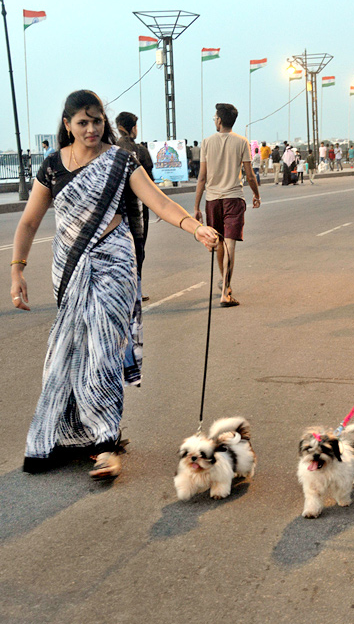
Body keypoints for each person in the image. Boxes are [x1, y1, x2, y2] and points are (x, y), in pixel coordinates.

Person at [11, 90, 218, 479]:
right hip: (70, 269)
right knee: (66, 354)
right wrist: (17, 269)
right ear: (68, 125)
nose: (91, 128)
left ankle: (106, 443)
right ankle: (62, 435)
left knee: (103, 350)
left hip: (114, 265)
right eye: (82, 122)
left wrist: (195, 227)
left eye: (97, 121)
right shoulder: (53, 166)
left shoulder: (120, 161)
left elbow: (159, 202)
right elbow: (28, 222)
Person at [194, 103, 260, 307]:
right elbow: (249, 174)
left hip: (212, 200)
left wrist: (196, 207)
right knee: (230, 243)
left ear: (220, 120)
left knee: (220, 242)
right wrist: (256, 194)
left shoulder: (206, 142)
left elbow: (202, 178)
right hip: (234, 198)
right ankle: (225, 291)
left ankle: (225, 284)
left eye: (215, 117)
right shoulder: (242, 142)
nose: (214, 120)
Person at [115, 111, 154, 301]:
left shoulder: (110, 148)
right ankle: (136, 290)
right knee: (138, 250)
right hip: (137, 210)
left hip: (115, 212)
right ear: (132, 128)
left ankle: (121, 290)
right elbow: (150, 184)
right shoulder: (140, 151)